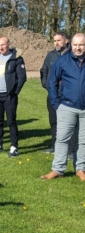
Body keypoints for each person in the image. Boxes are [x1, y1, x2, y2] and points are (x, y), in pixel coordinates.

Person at [41, 33, 85, 180]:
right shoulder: (62, 61)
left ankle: (80, 169)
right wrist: (56, 104)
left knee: (83, 141)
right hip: (67, 106)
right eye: (75, 45)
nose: (78, 48)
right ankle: (58, 169)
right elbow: (52, 82)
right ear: (71, 44)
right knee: (62, 139)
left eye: (81, 45)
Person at [0, 37, 27, 157]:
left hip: (9, 96)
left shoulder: (16, 58)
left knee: (11, 121)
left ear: (9, 44)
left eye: (3, 45)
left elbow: (22, 77)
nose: (1, 47)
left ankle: (14, 147)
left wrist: (14, 92)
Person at [40, 32, 71, 153]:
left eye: (59, 40)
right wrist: (46, 84)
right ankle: (54, 146)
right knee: (54, 121)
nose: (56, 43)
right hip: (53, 94)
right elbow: (44, 70)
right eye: (55, 41)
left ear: (66, 41)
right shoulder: (50, 55)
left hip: (68, 95)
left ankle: (71, 150)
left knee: (70, 122)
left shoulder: (72, 55)